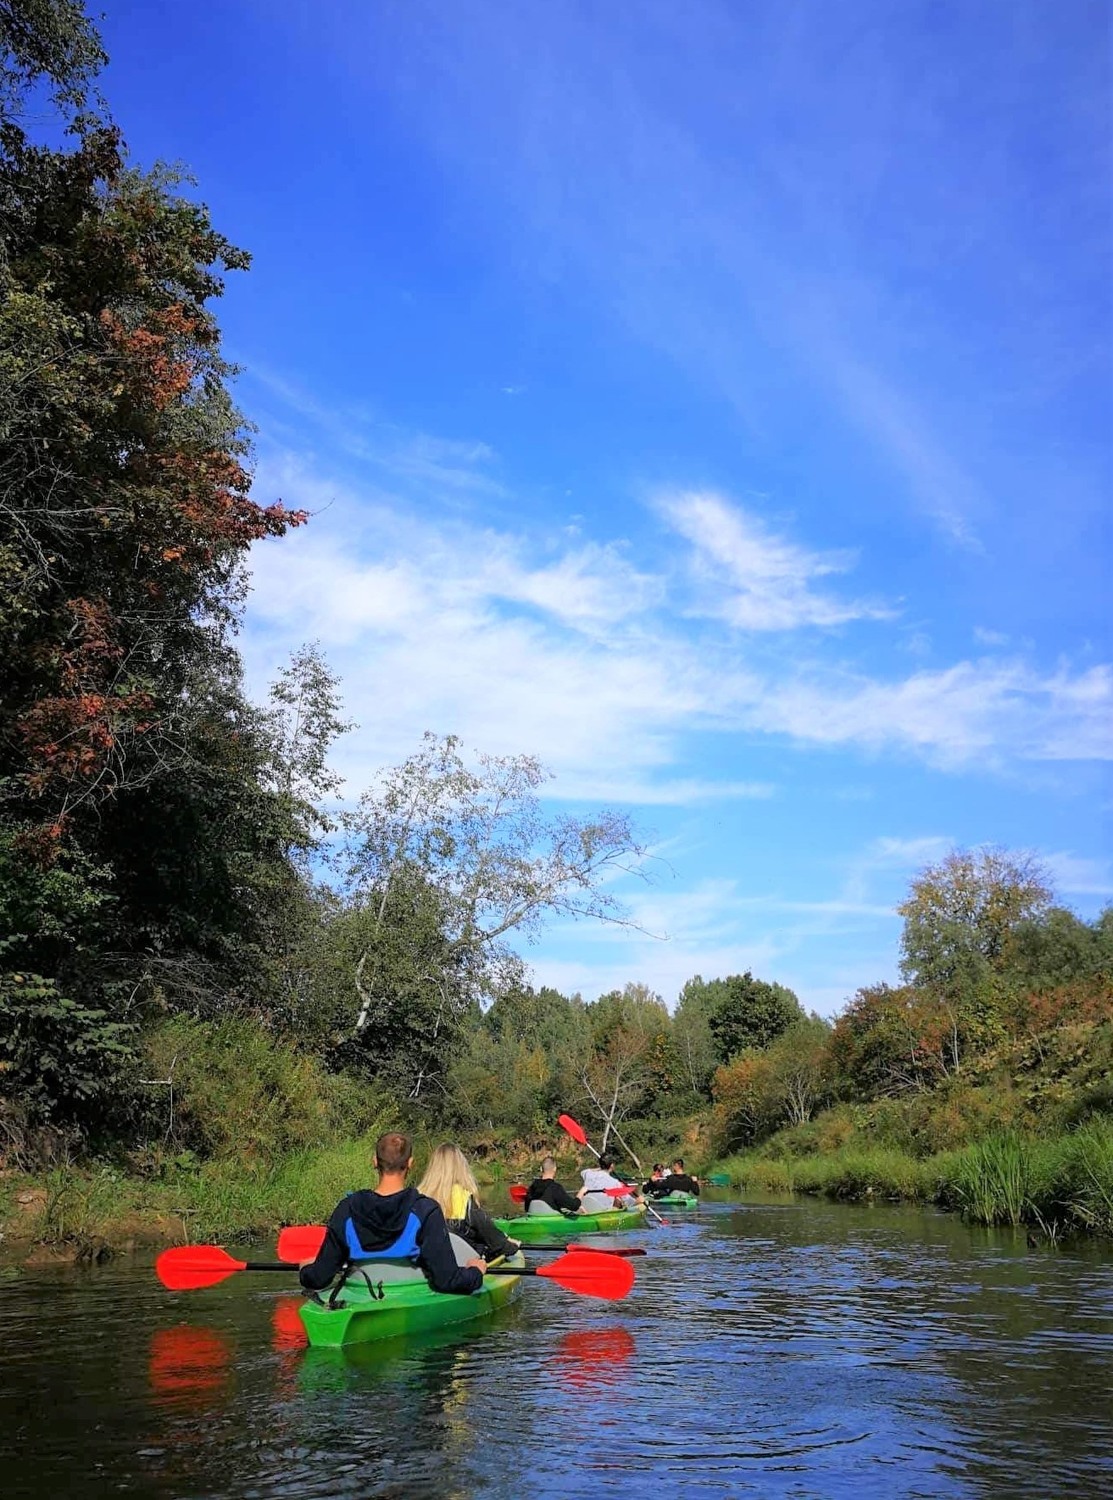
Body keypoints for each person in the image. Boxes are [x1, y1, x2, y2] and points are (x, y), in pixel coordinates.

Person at [298, 1130, 487, 1295]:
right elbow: (447, 1281)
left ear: (374, 1161)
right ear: (410, 1163)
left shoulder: (346, 1209)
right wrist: (475, 1272)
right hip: (408, 1290)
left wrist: (306, 1268)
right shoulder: (426, 1210)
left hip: (362, 1289)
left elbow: (317, 1279)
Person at [418, 1143, 521, 1260]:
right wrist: (510, 1246)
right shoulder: (464, 1199)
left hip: (428, 1263)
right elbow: (494, 1240)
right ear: (460, 1168)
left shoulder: (418, 1197)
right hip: (463, 1266)